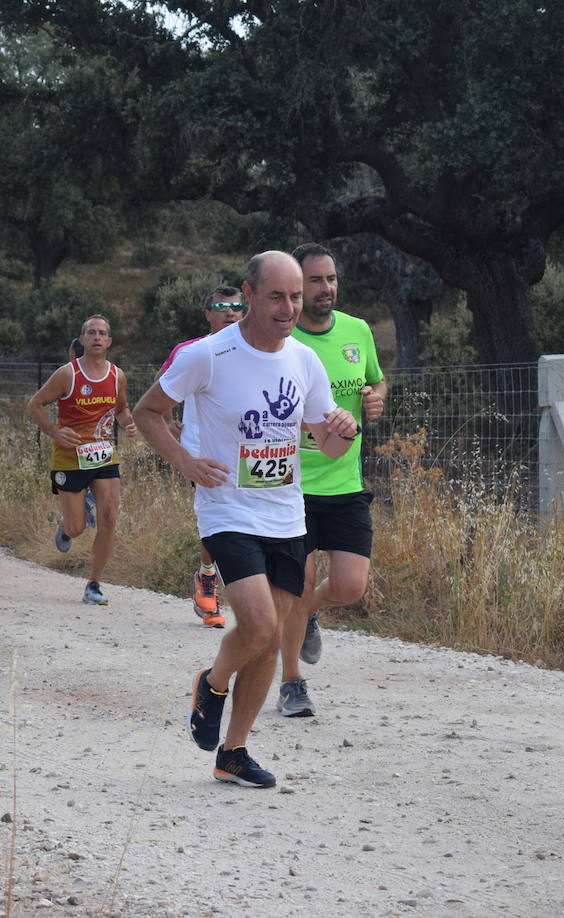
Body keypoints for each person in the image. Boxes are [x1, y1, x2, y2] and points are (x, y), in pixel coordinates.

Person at [134, 250, 358, 789]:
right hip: (226, 507)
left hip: (285, 512)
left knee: (274, 632)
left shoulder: (305, 360)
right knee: (257, 624)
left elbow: (324, 443)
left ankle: (233, 752)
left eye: (297, 297)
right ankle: (212, 683)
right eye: (277, 296)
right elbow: (147, 411)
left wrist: (343, 428)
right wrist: (184, 461)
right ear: (249, 294)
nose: (288, 307)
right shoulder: (210, 355)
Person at [275, 243, 388, 718]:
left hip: (345, 485)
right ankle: (291, 683)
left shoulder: (358, 331)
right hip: (294, 488)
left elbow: (376, 381)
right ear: (298, 289)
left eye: (331, 279)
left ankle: (309, 612)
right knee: (294, 586)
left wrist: (376, 398)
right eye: (316, 281)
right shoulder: (282, 342)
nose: (326, 289)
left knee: (350, 587)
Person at [25, 315, 137, 606]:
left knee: (109, 517)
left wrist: (129, 422)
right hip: (70, 458)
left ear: (109, 341)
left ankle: (94, 584)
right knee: (77, 528)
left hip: (103, 455)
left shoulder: (117, 376)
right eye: (92, 333)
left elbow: (122, 409)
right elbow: (35, 404)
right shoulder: (67, 374)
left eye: (102, 333)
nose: (97, 337)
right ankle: (65, 526)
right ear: (83, 340)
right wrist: (53, 431)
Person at [159, 285, 246, 628]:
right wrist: (170, 428)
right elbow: (159, 394)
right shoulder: (189, 351)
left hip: (249, 448)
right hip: (203, 449)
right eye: (221, 306)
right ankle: (209, 581)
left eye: (236, 307)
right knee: (219, 512)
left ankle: (219, 576)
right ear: (207, 314)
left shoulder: (258, 349)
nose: (229, 312)